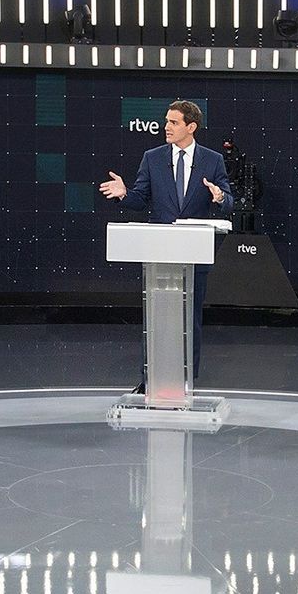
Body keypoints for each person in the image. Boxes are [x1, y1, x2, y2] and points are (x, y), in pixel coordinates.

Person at [98, 99, 236, 384]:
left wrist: (220, 197)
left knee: (191, 319)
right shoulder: (153, 157)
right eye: (166, 121)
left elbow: (229, 202)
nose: (167, 127)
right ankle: (150, 379)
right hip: (160, 251)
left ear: (191, 127)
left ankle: (188, 380)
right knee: (156, 318)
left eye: (174, 122)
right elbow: (140, 199)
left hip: (194, 252)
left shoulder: (212, 160)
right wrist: (125, 193)